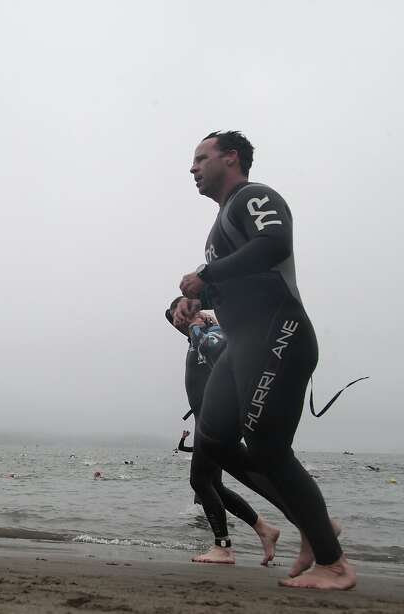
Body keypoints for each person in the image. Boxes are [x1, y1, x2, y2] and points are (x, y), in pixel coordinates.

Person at [175, 131, 354, 589]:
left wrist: (206, 274)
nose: (192, 168)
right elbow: (233, 281)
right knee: (212, 442)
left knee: (269, 450)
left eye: (201, 158)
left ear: (231, 158)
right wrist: (198, 299)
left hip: (279, 333)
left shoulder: (253, 197)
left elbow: (274, 243)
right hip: (241, 345)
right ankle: (315, 527)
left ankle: (332, 562)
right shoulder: (218, 228)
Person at [166, 299, 280, 565]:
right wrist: (188, 322)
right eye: (175, 319)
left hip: (215, 419)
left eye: (180, 316)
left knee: (201, 482)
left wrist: (199, 323)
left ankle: (224, 547)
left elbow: (217, 350)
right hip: (204, 420)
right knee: (212, 484)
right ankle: (265, 529)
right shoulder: (194, 337)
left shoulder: (211, 333)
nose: (177, 322)